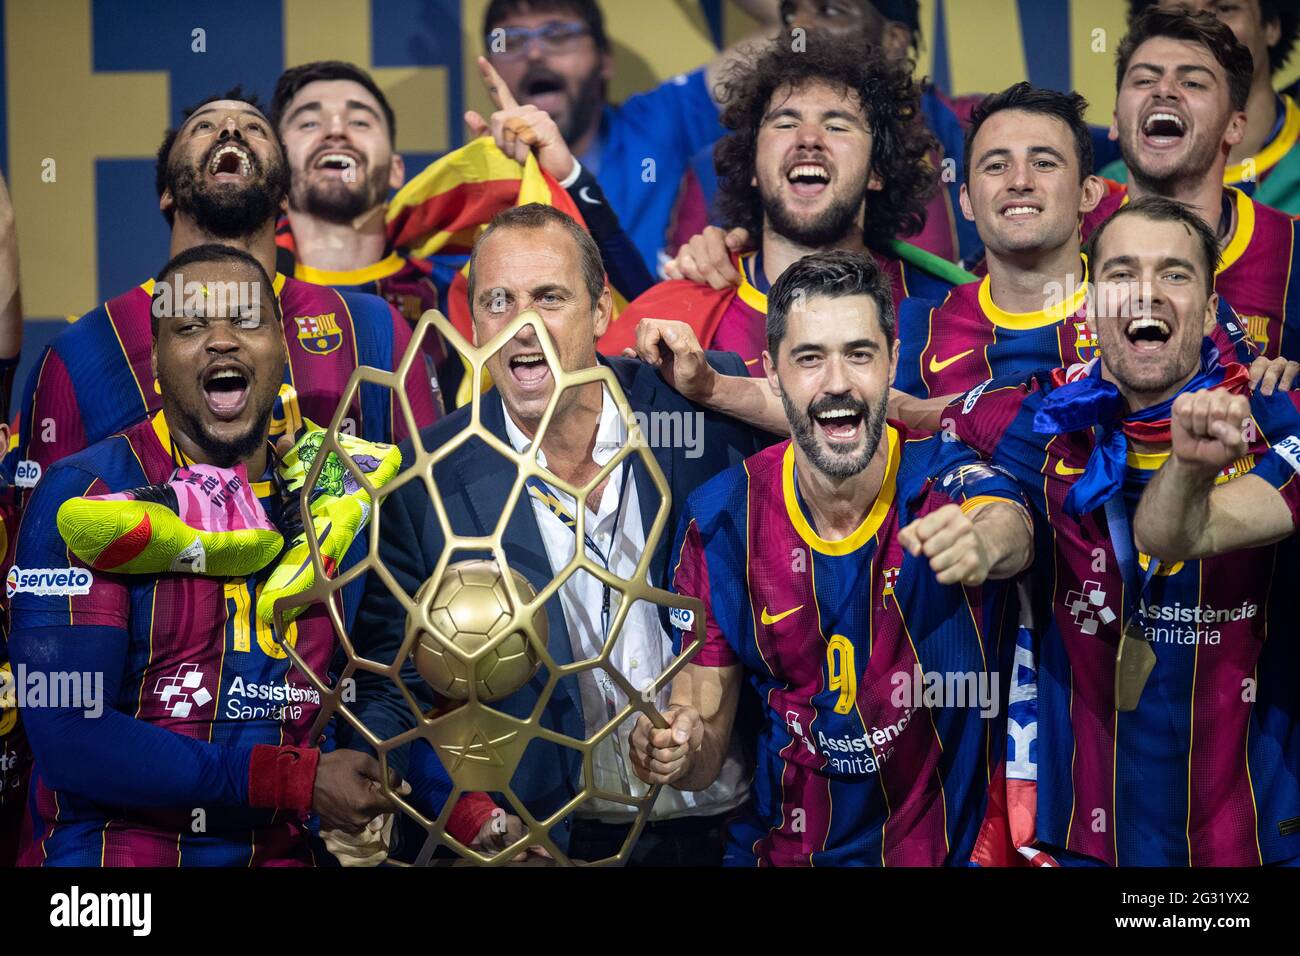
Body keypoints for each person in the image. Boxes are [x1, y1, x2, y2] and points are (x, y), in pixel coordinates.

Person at [354, 203, 763, 864]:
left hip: (727, 837)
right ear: (473, 320)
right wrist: (470, 815)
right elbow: (390, 689)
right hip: (552, 844)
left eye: (549, 298)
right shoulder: (424, 484)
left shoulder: (701, 411)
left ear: (601, 312)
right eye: (497, 301)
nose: (522, 326)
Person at [629, 249, 1034, 866]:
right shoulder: (720, 520)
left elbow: (1011, 522)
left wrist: (980, 543)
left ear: (894, 361)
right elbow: (703, 733)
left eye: (860, 354)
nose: (838, 382)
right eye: (810, 358)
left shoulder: (943, 483)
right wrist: (678, 751)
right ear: (772, 373)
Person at [7, 245, 407, 865]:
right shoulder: (85, 493)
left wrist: (452, 804)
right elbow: (68, 734)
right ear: (156, 366)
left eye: (247, 321)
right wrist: (293, 782)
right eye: (190, 326)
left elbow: (383, 683)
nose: (222, 341)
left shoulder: (335, 498)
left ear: (282, 348)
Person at [947, 197, 1300, 865]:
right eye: (1121, 273)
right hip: (1085, 842)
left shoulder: (1280, 422)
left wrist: (1192, 471)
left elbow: (1179, 535)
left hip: (1256, 844)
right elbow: (902, 421)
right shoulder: (1028, 418)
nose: (1146, 292)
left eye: (1174, 273)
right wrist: (987, 509)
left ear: (1207, 305)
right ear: (1087, 300)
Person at [6, 89, 439, 493]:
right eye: (203, 127)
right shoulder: (84, 352)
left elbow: (423, 505)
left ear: (285, 197)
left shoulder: (371, 327)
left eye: (254, 127)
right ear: (167, 193)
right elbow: (45, 541)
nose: (230, 130)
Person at [598, 34, 973, 373]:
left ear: (877, 169)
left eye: (837, 126)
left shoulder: (945, 310)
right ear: (754, 166)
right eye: (784, 123)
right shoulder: (675, 312)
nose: (808, 138)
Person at [669, 0, 985, 266]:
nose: (800, 28)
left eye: (831, 10)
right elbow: (682, 306)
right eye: (791, 13)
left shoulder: (981, 132)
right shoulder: (717, 164)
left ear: (894, 40)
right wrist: (704, 262)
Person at [481, 0, 781, 274]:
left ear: (605, 59)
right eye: (511, 41)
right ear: (489, 69)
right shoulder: (475, 187)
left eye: (558, 35)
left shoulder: (658, 124)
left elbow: (797, 24)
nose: (534, 54)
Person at [1085, 8, 1300, 359]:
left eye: (1193, 82)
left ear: (1235, 126)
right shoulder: (1069, 235)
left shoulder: (1293, 250)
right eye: (1144, 80)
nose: (1164, 91)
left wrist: (1287, 392)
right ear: (1115, 122)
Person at [1104, 0, 1300, 213]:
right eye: (1180, 12)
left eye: (1224, 8)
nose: (1201, 22)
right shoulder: (1102, 195)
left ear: (1271, 25)